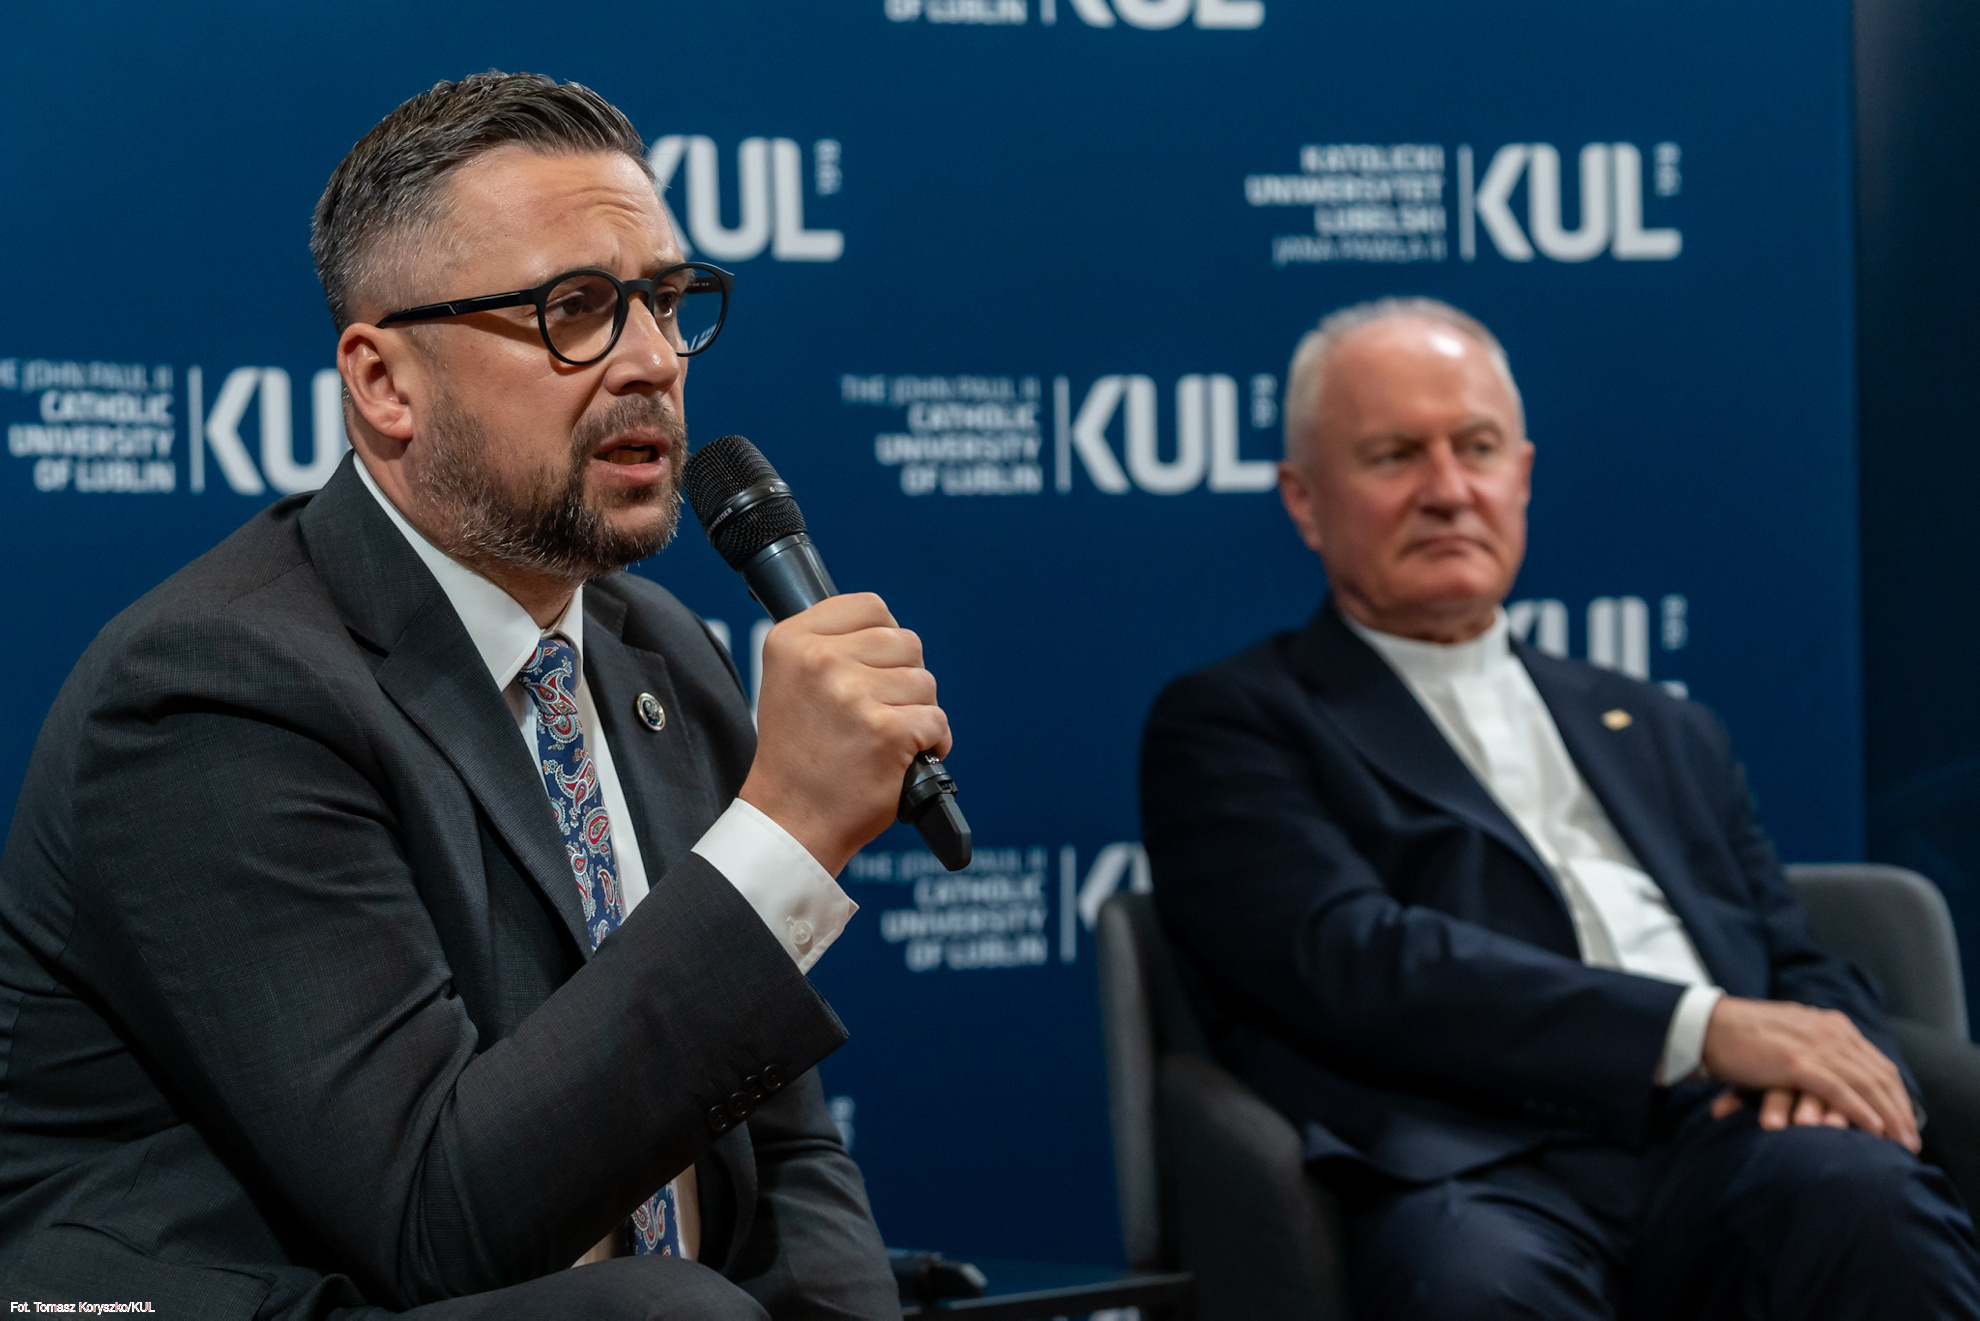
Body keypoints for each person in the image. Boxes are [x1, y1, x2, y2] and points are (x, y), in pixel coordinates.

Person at [0, 73, 938, 1319]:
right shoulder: (215, 689)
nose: (654, 362)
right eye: (576, 310)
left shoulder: (660, 652)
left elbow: (787, 1152)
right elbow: (437, 1221)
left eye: (666, 302)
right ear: (385, 382)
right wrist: (789, 834)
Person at [1139, 296, 1980, 1317]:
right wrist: (1703, 1026)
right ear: (1305, 499)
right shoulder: (1235, 721)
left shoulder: (1661, 724)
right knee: (1477, 1284)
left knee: (1870, 1202)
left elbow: (1791, 956)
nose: (1448, 490)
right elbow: (1359, 961)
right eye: (1395, 456)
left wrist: (1835, 1062)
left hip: (1726, 1137)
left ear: (1522, 476)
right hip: (1473, 1161)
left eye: (1477, 448)